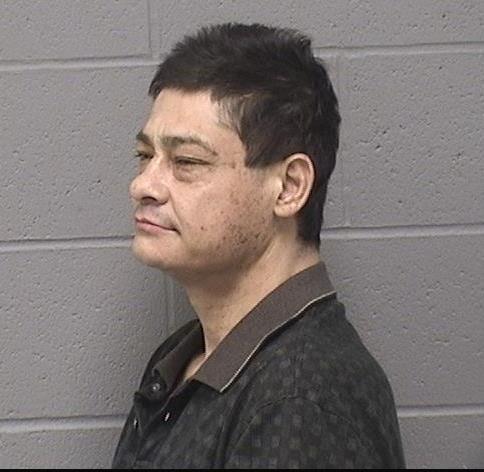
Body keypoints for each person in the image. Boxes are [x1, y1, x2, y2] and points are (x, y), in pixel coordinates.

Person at [112, 22, 406, 469]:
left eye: (186, 161)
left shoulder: (301, 398)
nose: (143, 185)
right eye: (145, 156)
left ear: (289, 187)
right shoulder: (187, 356)